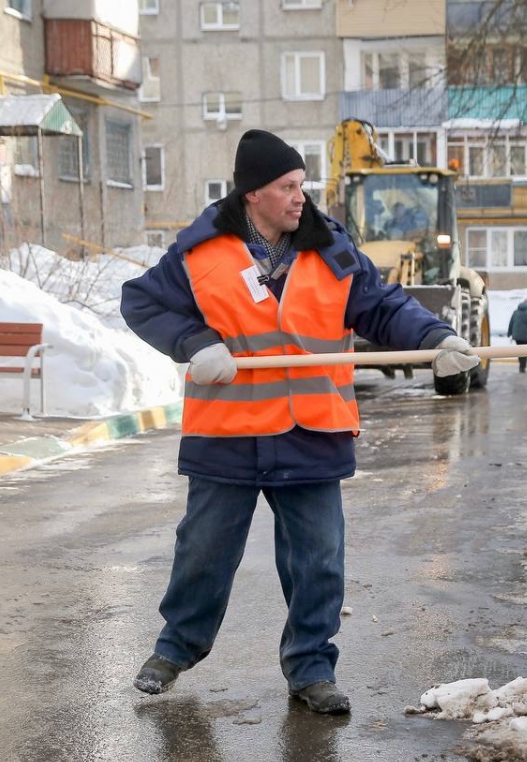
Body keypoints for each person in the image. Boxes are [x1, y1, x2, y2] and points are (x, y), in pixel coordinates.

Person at [119, 129, 480, 715]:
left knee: (318, 559)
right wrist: (194, 342)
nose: (300, 198)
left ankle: (311, 670)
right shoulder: (200, 251)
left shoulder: (329, 247)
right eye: (287, 187)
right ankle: (174, 650)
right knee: (204, 551)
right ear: (253, 194)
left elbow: (380, 304)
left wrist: (435, 336)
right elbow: (140, 301)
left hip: (311, 430)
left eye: (301, 186)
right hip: (228, 435)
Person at [506, 298, 527, 373]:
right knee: (525, 352)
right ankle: (523, 367)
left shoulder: (515, 312)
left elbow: (511, 323)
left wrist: (509, 333)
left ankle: (521, 365)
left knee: (520, 351)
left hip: (517, 336)